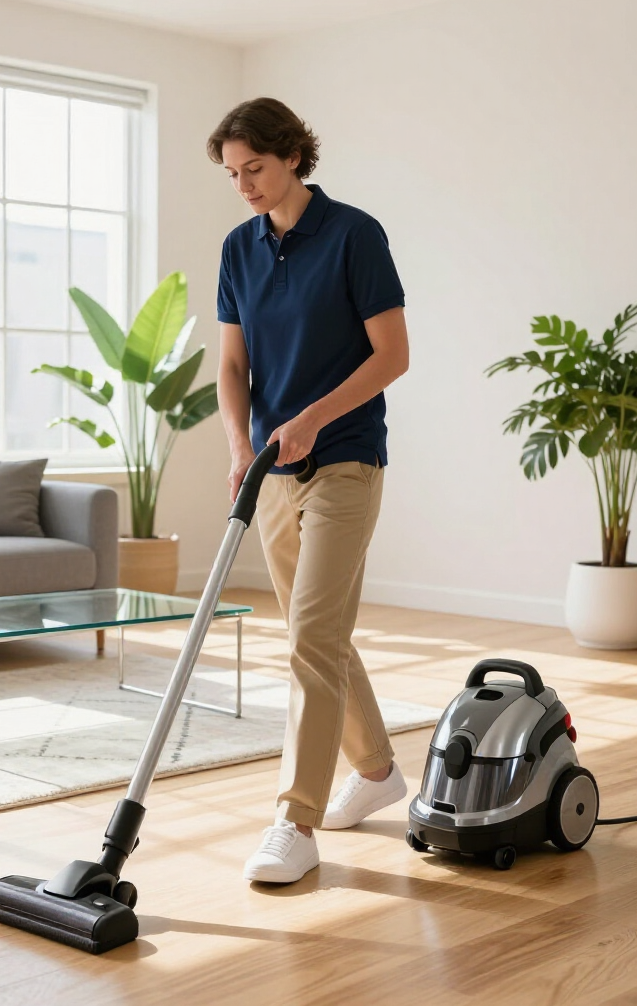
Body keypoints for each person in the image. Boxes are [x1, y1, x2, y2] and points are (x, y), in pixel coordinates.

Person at [208, 97, 411, 883]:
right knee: (314, 635)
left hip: (346, 460)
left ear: (293, 155)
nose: (244, 185)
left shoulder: (356, 236)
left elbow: (392, 355)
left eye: (254, 168)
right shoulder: (238, 249)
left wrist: (313, 418)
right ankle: (378, 771)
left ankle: (296, 820)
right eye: (232, 174)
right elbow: (232, 366)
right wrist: (239, 444)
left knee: (310, 640)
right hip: (271, 471)